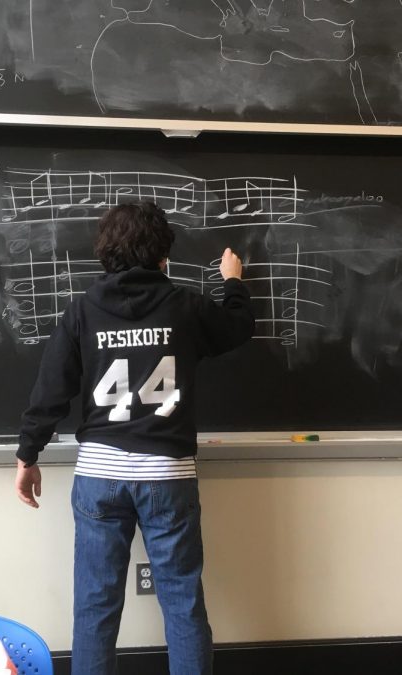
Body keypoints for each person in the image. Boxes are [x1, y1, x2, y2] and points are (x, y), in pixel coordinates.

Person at [14, 200, 254, 675]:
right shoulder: (185, 306)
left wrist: (28, 455)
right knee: (183, 605)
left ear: (105, 253)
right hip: (167, 475)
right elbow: (237, 327)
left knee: (95, 610)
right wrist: (233, 281)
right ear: (163, 254)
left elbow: (51, 391)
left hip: (100, 477)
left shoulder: (81, 311)